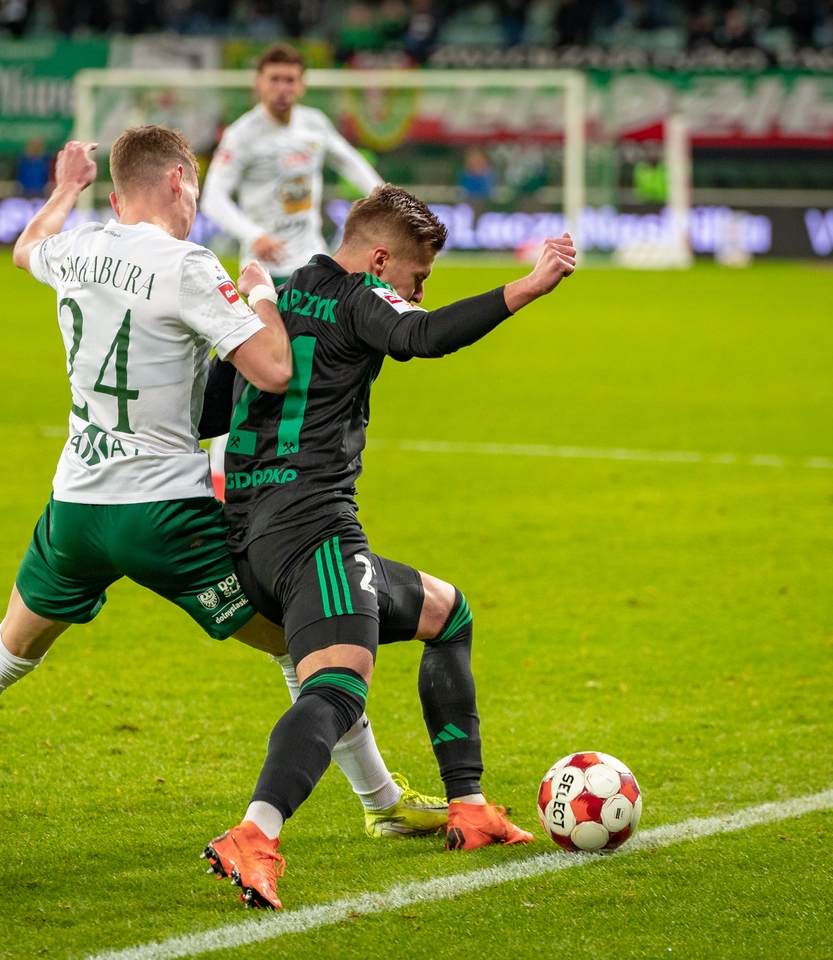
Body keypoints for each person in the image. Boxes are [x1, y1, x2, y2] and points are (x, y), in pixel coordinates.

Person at [0, 128, 447, 841]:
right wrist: (260, 295)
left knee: (3, 655)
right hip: (164, 514)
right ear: (179, 180)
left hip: (76, 505)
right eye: (196, 189)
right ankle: (381, 803)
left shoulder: (75, 248)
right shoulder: (188, 265)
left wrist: (65, 188)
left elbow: (26, 247)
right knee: (300, 645)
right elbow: (275, 370)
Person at [199, 185, 577, 910]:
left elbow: (211, 409)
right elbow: (423, 335)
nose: (419, 289)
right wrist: (527, 287)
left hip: (248, 534)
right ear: (378, 260)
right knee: (338, 688)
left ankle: (469, 805)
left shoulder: (273, 298)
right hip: (313, 530)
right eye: (417, 274)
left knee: (446, 612)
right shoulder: (356, 296)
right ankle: (254, 833)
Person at [201, 42, 383, 283]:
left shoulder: (314, 123)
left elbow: (349, 161)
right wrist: (253, 236)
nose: (282, 89)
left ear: (301, 85)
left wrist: (383, 197)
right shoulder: (241, 135)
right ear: (258, 83)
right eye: (274, 79)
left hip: (313, 260)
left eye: (289, 80)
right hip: (266, 268)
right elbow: (213, 199)